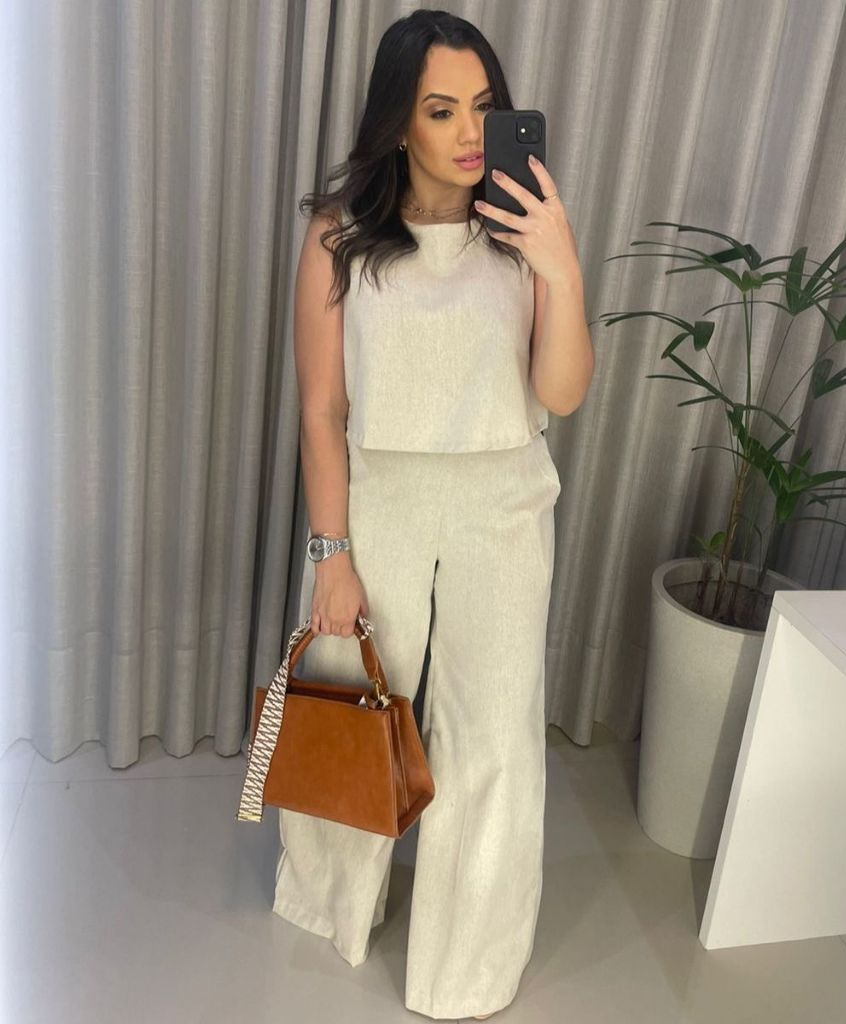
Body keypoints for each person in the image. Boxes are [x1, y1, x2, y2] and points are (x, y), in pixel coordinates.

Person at [273, 9, 593, 1021]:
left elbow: (562, 393)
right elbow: (321, 411)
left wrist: (560, 264)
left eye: (483, 107)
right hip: (383, 505)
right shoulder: (338, 234)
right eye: (440, 109)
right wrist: (332, 553)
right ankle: (332, 898)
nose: (467, 132)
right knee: (352, 705)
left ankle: (469, 969)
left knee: (494, 738)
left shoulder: (528, 227)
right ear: (398, 121)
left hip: (505, 507)